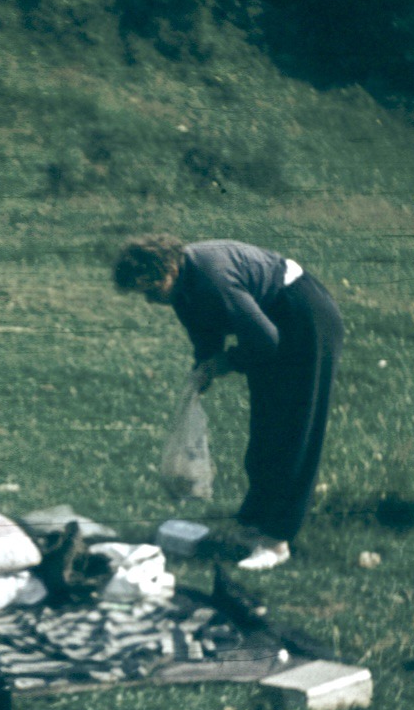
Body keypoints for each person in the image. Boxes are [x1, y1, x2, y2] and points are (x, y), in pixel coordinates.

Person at [112, 235, 344, 570]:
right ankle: (253, 524)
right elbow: (205, 332)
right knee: (265, 428)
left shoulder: (210, 276)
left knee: (294, 431)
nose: (149, 300)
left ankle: (277, 541)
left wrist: (227, 362)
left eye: (151, 290)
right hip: (273, 323)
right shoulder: (184, 289)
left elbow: (265, 340)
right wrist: (203, 366)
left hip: (305, 318)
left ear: (169, 270)